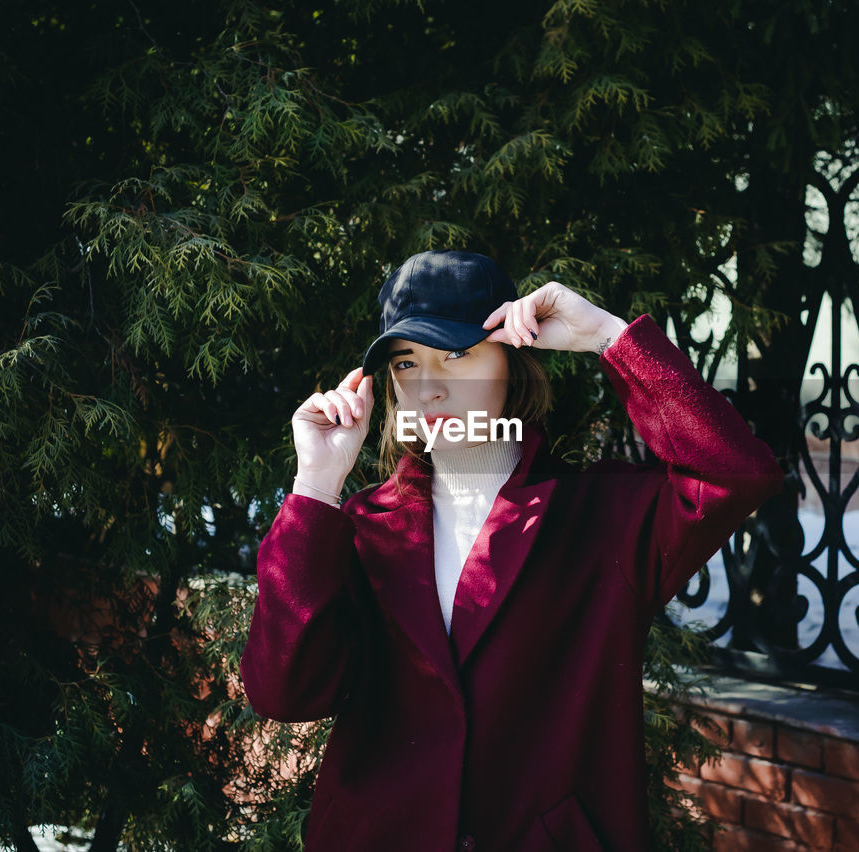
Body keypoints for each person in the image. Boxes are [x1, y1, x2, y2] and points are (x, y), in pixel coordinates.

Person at [240, 249, 784, 851]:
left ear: (510, 357)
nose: (429, 389)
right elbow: (283, 694)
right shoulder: (365, 525)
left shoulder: (604, 518)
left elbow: (735, 473)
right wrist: (315, 486)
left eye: (456, 355)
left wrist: (609, 336)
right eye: (404, 364)